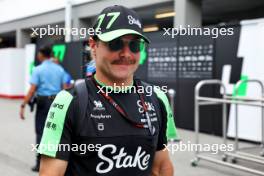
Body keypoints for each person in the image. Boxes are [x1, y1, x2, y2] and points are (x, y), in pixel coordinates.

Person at [38, 5, 174, 176]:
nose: (126, 54)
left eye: (134, 45)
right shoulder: (68, 102)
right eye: (115, 43)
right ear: (93, 46)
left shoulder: (157, 97)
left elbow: (161, 167)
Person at [19, 46, 68, 172]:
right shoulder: (59, 69)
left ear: (41, 55)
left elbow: (32, 89)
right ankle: (57, 161)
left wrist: (23, 105)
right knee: (56, 131)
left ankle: (39, 163)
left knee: (41, 132)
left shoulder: (38, 69)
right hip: (57, 101)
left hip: (43, 102)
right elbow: (65, 87)